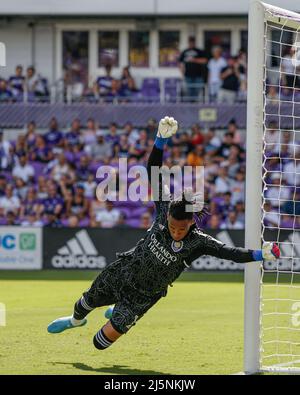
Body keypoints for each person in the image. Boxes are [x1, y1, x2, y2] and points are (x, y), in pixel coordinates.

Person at [47, 116, 280, 351]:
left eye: (182, 228)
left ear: (191, 223)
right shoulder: (164, 205)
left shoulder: (198, 242)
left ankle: (117, 310)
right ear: (167, 216)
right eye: (172, 227)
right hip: (122, 272)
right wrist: (160, 140)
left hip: (144, 296)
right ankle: (75, 322)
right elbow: (153, 171)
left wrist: (262, 254)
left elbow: (230, 253)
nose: (176, 232)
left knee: (100, 343)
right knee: (84, 304)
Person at [179, 36, 208, 102]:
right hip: (188, 75)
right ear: (188, 43)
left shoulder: (199, 51)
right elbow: (180, 63)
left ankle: (196, 106)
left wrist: (194, 60)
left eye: (192, 42)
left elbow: (205, 60)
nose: (191, 43)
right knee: (189, 93)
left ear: (194, 42)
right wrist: (182, 73)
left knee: (197, 92)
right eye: (190, 42)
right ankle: (190, 108)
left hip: (198, 75)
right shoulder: (184, 52)